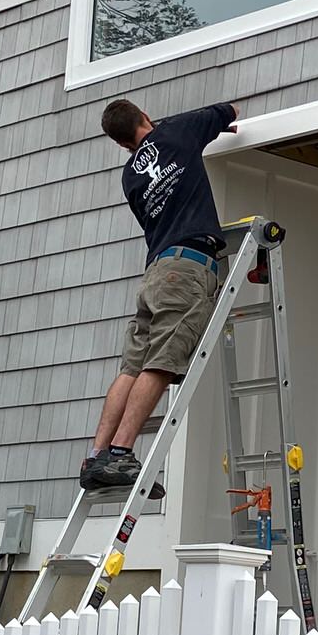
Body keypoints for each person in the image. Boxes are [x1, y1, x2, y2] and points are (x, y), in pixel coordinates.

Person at [81, 96, 238, 490]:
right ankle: (121, 455)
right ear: (145, 116)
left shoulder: (129, 177)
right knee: (163, 362)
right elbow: (228, 111)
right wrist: (214, 127)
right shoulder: (178, 131)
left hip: (155, 272)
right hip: (186, 269)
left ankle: (97, 457)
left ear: (121, 144)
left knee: (131, 367)